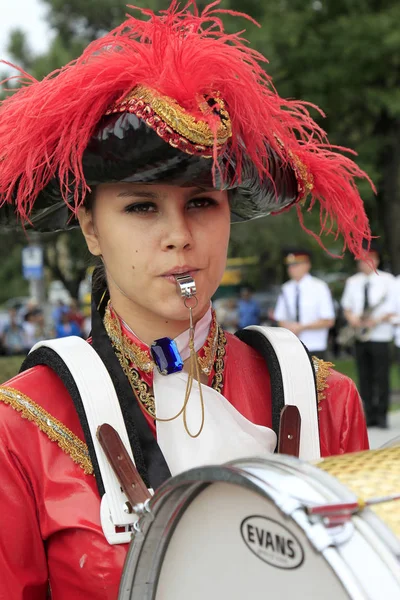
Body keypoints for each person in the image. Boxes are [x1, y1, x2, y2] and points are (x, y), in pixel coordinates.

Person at [0, 3, 371, 598]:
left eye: (202, 202)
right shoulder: (21, 424)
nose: (179, 235)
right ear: (91, 229)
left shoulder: (327, 400)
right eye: (141, 206)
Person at [341, 240, 396, 428]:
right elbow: (346, 307)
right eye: (359, 259)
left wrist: (376, 320)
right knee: (364, 376)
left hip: (380, 334)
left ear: (375, 259)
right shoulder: (353, 281)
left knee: (381, 376)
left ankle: (382, 415)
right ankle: (369, 415)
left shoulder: (389, 280)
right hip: (360, 334)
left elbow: (393, 307)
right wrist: (353, 319)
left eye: (365, 259)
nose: (361, 263)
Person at [274, 249, 335, 359]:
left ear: (307, 265)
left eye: (296, 265)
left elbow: (328, 320)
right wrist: (290, 328)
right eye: (289, 265)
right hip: (292, 345)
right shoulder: (286, 288)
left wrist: (302, 327)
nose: (291, 269)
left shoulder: (319, 287)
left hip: (315, 346)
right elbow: (280, 318)